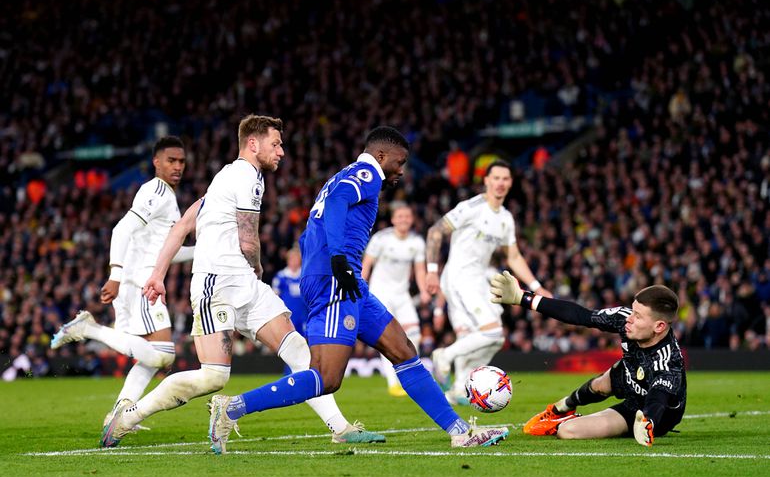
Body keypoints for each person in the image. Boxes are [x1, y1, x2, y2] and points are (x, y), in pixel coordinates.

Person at [206, 126, 509, 451]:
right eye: (399, 161)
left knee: (404, 350)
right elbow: (337, 204)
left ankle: (460, 431)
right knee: (326, 377)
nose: (401, 170)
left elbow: (312, 230)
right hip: (337, 280)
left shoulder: (342, 175)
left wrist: (331, 264)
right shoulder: (367, 173)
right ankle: (232, 407)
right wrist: (337, 260)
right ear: (381, 155)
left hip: (347, 282)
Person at [101, 115, 384, 450]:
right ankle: (128, 417)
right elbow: (248, 239)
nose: (281, 151)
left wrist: (158, 275)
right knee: (214, 377)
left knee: (297, 349)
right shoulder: (248, 176)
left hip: (243, 285)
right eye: (275, 143)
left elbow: (181, 229)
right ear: (254, 143)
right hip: (217, 285)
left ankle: (340, 427)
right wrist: (258, 268)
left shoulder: (223, 179)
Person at [51, 136, 192, 426]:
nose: (178, 166)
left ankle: (118, 414)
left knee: (151, 357)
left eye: (181, 161)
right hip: (139, 281)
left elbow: (166, 252)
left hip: (138, 279)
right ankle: (88, 328)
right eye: (171, 160)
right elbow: (122, 228)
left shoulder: (166, 195)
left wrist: (207, 251)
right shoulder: (156, 191)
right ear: (156, 162)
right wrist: (115, 275)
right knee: (163, 355)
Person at [490, 271, 686, 446]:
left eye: (638, 316)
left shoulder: (668, 362)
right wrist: (523, 297)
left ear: (659, 327)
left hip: (649, 413)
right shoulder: (625, 319)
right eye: (632, 310)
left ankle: (564, 421)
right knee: (601, 383)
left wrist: (648, 421)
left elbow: (658, 399)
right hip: (629, 373)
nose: (629, 318)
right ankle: (562, 409)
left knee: (568, 432)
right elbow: (581, 316)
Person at [425, 160, 552, 404]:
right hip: (459, 277)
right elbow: (436, 231)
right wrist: (432, 270)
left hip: (479, 281)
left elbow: (513, 256)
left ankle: (459, 388)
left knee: (492, 338)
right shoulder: (472, 207)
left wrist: (537, 287)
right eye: (496, 178)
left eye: (505, 179)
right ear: (486, 180)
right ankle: (443, 355)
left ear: (511, 183)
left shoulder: (505, 219)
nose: (500, 183)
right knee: (491, 331)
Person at [361, 202, 431, 397]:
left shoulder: (416, 242)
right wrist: (361, 288)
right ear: (393, 219)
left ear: (412, 219)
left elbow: (419, 270)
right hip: (381, 293)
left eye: (407, 216)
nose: (404, 220)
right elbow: (367, 264)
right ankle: (394, 384)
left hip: (402, 295)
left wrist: (424, 290)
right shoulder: (381, 239)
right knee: (388, 339)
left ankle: (408, 377)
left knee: (414, 335)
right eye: (400, 216)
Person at [272, 246, 308, 374]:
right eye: (291, 259)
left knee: (304, 346)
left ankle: (304, 372)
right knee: (290, 347)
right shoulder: (281, 277)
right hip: (288, 319)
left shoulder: (304, 275)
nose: (294, 261)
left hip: (303, 317)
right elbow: (275, 297)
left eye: (296, 259)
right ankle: (289, 373)